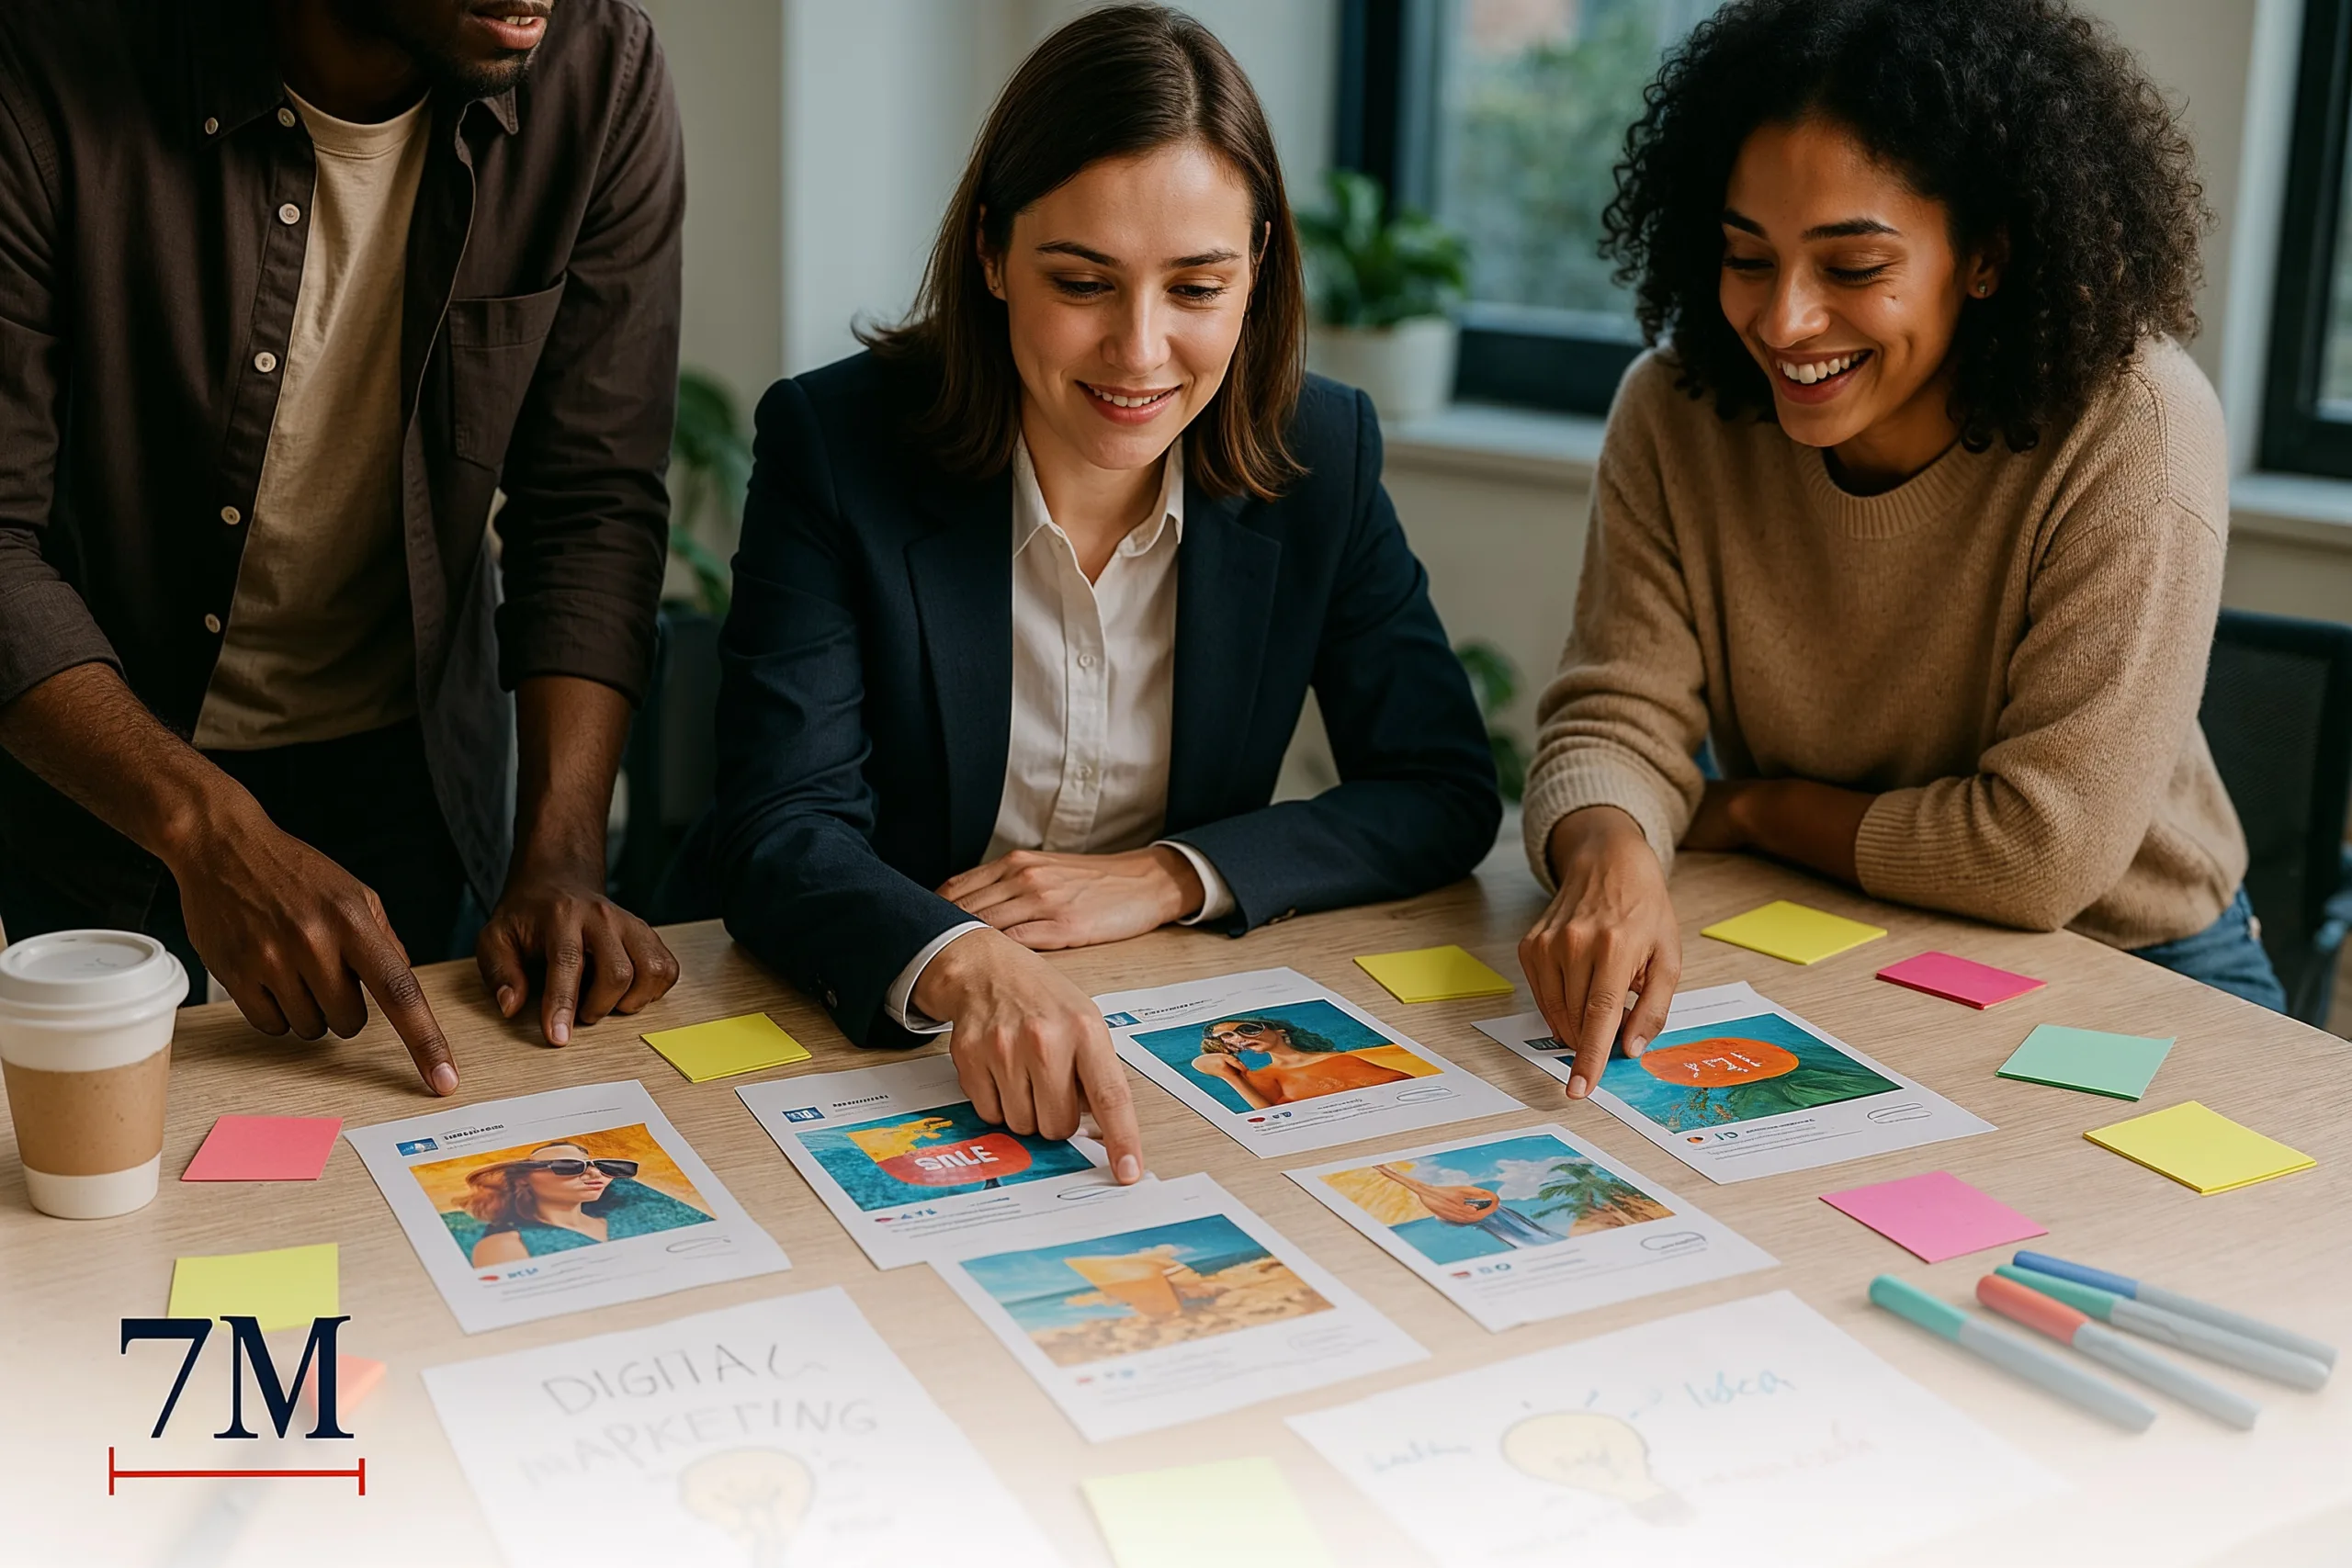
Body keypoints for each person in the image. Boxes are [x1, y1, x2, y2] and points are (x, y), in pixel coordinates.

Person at [694, 5, 1499, 1184]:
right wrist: (966, 957)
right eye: (1083, 282)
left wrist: (1167, 876)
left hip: (1170, 1024)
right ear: (990, 256)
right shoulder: (837, 440)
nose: (1139, 350)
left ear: (1257, 269)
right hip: (859, 1029)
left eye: (1195, 287)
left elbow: (1438, 787)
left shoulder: (1323, 450)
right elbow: (776, 826)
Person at [1519, 0, 2282, 1102]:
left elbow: (2036, 856)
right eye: (1746, 255)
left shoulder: (2135, 424)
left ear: (1983, 255)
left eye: (1851, 266)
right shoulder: (1676, 410)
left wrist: (1743, 807)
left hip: (2127, 961)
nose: (1783, 321)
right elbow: (1614, 717)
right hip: (1816, 923)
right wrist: (1611, 854)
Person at [0, 0, 686, 1097]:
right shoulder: (47, 59)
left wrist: (559, 855)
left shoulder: (598, 71)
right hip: (103, 763)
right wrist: (207, 831)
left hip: (407, 774)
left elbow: (591, 498)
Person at [450, 1141, 711, 1266]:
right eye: (569, 1166)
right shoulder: (503, 1246)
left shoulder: (636, 1216)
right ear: (523, 1180)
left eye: (604, 1167)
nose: (595, 1174)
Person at [1190, 1016, 1413, 1109]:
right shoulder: (1256, 1077)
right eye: (1227, 1037)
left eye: (1248, 1029)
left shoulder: (1345, 1058)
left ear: (1280, 1032)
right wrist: (1227, 1075)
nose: (1240, 1038)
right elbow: (1273, 1117)